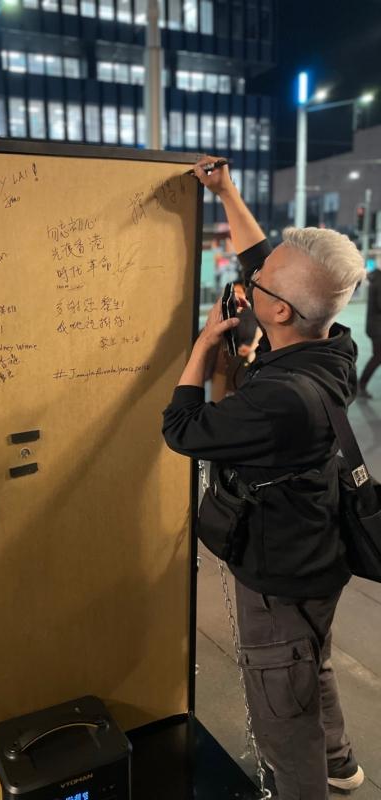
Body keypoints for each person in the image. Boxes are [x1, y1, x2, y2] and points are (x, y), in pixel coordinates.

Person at [162, 156, 367, 800]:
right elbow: (263, 264)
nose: (248, 286)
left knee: (282, 706)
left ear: (279, 312)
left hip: (280, 569)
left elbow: (183, 430)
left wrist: (201, 349)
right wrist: (225, 190)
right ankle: (341, 763)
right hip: (321, 550)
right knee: (310, 664)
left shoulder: (277, 399)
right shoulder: (334, 345)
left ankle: (310, 780)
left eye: (259, 288)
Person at [359, 260, 381, 398]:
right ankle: (361, 385)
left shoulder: (377, 278)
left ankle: (361, 384)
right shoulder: (380, 282)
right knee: (378, 357)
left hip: (375, 326)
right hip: (378, 328)